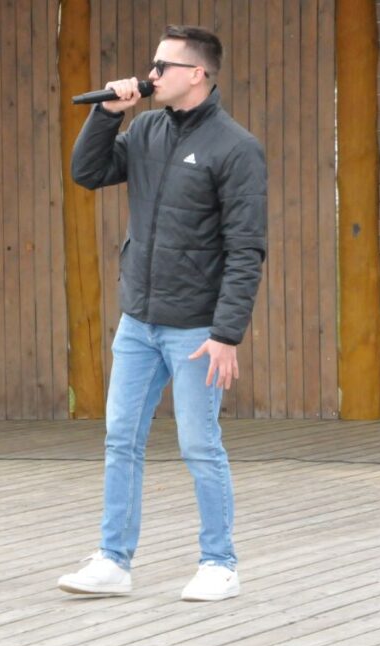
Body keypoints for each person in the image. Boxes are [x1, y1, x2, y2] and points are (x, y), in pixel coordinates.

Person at [58, 26, 266, 601]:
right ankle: (113, 560)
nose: (149, 74)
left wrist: (227, 334)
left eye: (161, 66)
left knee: (200, 444)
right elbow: (87, 172)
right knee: (120, 439)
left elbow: (246, 249)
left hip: (197, 328)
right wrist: (107, 114)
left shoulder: (235, 147)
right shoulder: (147, 129)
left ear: (196, 74)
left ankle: (219, 563)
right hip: (139, 321)